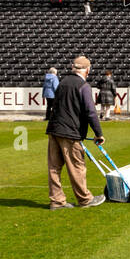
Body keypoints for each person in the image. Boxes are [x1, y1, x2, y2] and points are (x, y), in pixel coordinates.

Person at [45, 55, 107, 210]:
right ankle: (85, 199)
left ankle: (57, 201)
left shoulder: (62, 82)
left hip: (54, 130)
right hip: (70, 133)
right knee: (77, 167)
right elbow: (90, 112)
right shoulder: (83, 86)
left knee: (54, 167)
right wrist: (98, 133)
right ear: (87, 70)